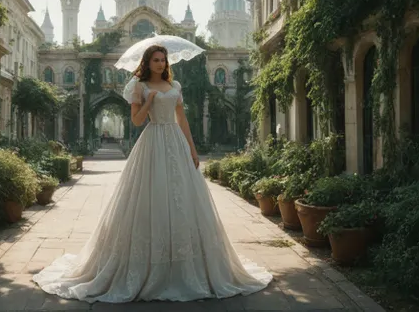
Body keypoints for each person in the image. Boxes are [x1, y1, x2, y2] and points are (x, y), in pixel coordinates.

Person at [32, 45, 273, 303]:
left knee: (182, 198)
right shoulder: (140, 87)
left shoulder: (175, 86)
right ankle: (145, 265)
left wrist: (192, 150)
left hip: (176, 143)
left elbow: (182, 120)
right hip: (152, 141)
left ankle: (186, 266)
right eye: (156, 60)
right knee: (150, 196)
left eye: (163, 59)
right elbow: (136, 121)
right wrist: (148, 101)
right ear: (147, 63)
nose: (160, 63)